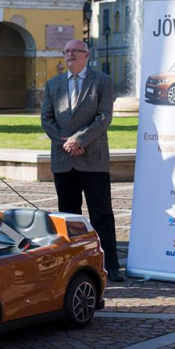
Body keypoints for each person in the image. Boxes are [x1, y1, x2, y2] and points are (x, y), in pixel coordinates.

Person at [41, 39, 123, 282]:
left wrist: (80, 140)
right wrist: (67, 142)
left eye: (74, 51)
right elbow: (46, 119)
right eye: (66, 51)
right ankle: (71, 266)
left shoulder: (102, 81)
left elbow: (104, 117)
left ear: (86, 55)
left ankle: (110, 265)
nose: (69, 55)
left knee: (101, 214)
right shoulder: (53, 84)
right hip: (64, 160)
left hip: (93, 159)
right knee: (67, 216)